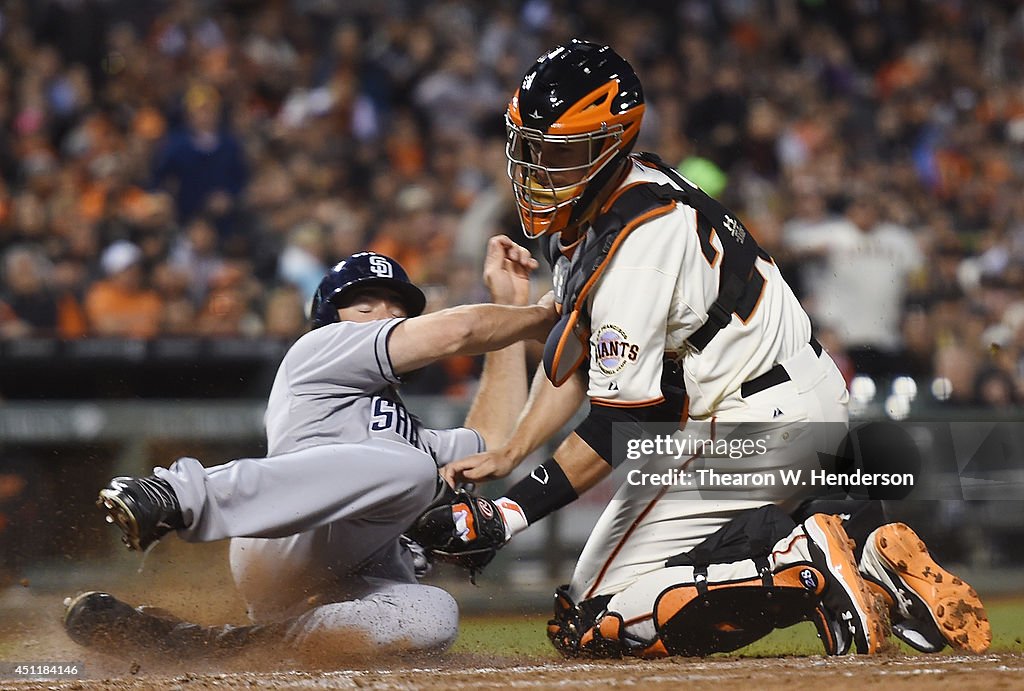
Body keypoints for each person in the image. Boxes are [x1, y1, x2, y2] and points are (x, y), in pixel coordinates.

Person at [417, 40, 990, 659]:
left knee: (598, 623)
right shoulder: (623, 197)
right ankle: (862, 552)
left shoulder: (635, 247)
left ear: (612, 141)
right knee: (626, 597)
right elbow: (582, 367)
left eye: (561, 153)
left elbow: (625, 421)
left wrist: (507, 514)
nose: (538, 169)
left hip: (748, 421)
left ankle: (806, 557)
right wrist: (512, 451)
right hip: (785, 403)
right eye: (530, 149)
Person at [64, 236, 556, 661]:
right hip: (284, 539)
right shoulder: (318, 351)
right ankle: (177, 495)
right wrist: (536, 315)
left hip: (340, 579)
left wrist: (509, 318)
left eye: (397, 307)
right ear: (330, 318)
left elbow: (489, 445)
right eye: (365, 304)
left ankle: (215, 642)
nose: (386, 314)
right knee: (413, 471)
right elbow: (460, 330)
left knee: (433, 615)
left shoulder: (408, 430)